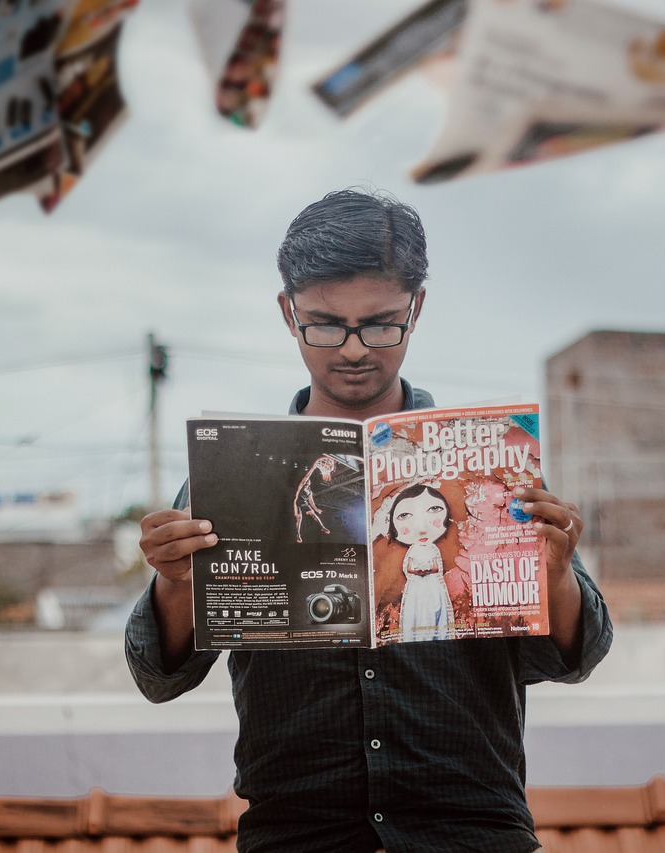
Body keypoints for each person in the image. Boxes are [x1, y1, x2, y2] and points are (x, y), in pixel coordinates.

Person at [127, 188, 613, 853]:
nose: (353, 349)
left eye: (381, 323)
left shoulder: (491, 465)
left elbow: (573, 656)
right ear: (286, 312)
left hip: (470, 834)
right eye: (324, 324)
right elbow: (160, 675)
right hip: (299, 835)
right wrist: (174, 582)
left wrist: (554, 571)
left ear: (416, 309)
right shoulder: (231, 476)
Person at [386, 482, 455, 642]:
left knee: (434, 609)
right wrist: (418, 572)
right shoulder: (414, 550)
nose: (422, 528)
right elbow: (408, 568)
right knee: (417, 611)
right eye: (404, 515)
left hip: (432, 585)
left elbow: (437, 567)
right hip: (417, 586)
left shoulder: (432, 549)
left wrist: (428, 571)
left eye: (434, 509)